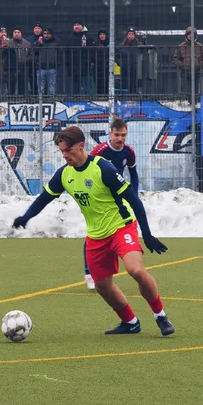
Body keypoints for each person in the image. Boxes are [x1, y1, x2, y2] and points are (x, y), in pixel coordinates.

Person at [12, 126, 174, 336]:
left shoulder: (103, 168)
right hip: (96, 236)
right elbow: (45, 197)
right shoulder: (64, 174)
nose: (64, 155)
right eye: (61, 151)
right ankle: (130, 322)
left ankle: (160, 315)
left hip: (121, 227)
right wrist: (26, 216)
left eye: (67, 150)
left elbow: (134, 199)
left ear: (81, 146)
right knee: (101, 285)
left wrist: (147, 234)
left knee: (136, 271)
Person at [82, 117, 140, 289]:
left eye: (123, 135)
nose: (120, 139)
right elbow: (86, 172)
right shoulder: (99, 151)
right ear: (110, 134)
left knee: (116, 230)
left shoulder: (128, 152)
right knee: (94, 232)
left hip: (116, 198)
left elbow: (134, 175)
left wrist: (134, 196)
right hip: (98, 198)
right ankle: (89, 273)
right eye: (117, 135)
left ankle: (106, 271)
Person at [173, 27, 203, 91]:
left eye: (192, 35)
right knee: (186, 91)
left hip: (196, 73)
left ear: (195, 36)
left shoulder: (200, 46)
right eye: (189, 35)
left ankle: (194, 100)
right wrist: (182, 65)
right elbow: (176, 58)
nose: (190, 36)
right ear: (186, 36)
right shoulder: (181, 46)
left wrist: (199, 65)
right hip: (184, 73)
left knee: (195, 92)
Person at [4, 26, 32, 96]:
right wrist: (5, 45)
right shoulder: (9, 42)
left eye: (18, 32)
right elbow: (3, 54)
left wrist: (25, 60)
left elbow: (31, 55)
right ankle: (11, 99)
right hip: (11, 67)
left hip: (23, 67)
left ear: (21, 34)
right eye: (15, 32)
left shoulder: (27, 43)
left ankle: (21, 99)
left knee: (22, 84)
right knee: (11, 85)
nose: (16, 34)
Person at [36, 27, 60, 95]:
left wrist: (57, 65)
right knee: (40, 88)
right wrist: (38, 44)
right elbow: (34, 52)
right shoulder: (39, 42)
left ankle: (51, 102)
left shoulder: (56, 42)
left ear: (51, 34)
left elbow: (60, 55)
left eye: (48, 34)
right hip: (41, 68)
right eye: (45, 33)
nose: (46, 35)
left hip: (52, 68)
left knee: (51, 88)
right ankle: (41, 103)